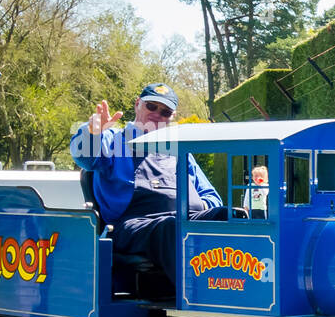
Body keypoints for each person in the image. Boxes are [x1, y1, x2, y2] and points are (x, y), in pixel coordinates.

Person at [70, 83, 225, 281]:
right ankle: (199, 298)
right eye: (151, 106)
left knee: (230, 215)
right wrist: (93, 131)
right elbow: (84, 157)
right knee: (171, 227)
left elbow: (212, 198)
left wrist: (197, 205)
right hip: (133, 224)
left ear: (171, 117)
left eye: (165, 111)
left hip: (185, 217)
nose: (157, 114)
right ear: (137, 104)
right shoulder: (112, 140)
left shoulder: (179, 151)